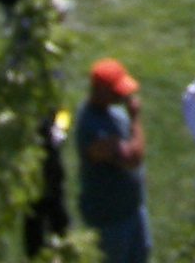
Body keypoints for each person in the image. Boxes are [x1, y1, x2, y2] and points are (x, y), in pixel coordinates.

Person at [76, 60, 154, 263]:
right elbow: (132, 158)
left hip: (132, 208)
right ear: (100, 91)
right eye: (116, 91)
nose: (124, 95)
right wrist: (135, 118)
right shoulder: (92, 128)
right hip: (110, 218)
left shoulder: (113, 111)